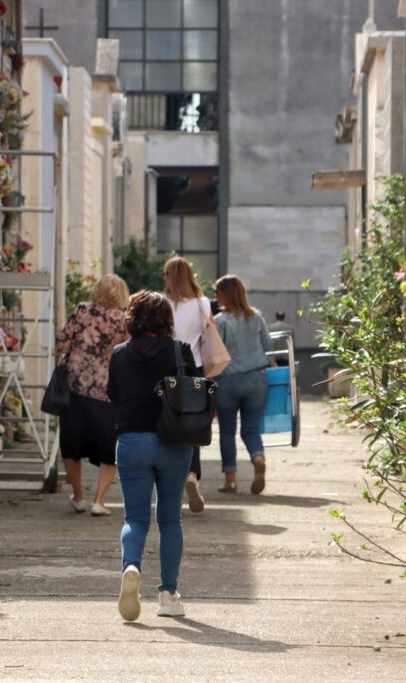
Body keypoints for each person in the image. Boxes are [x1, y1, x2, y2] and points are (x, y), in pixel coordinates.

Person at [108, 290, 199, 620]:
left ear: (133, 318)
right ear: (166, 320)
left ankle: (131, 567)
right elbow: (194, 394)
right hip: (173, 442)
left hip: (131, 440)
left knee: (134, 518)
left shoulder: (120, 354)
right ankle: (167, 595)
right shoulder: (180, 351)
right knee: (170, 517)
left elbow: (113, 395)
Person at [57, 274, 130, 516]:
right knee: (110, 447)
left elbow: (62, 342)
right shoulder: (123, 319)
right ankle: (99, 501)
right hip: (108, 392)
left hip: (76, 388)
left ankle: (79, 497)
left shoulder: (81, 310)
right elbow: (128, 353)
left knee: (71, 443)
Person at [213, 275, 272, 495]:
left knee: (227, 431)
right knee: (251, 429)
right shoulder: (257, 317)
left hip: (228, 380)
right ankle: (257, 458)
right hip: (256, 379)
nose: (216, 296)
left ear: (225, 294)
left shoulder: (220, 321)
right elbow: (268, 344)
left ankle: (231, 481)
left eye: (218, 292)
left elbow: (216, 352)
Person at [162, 256, 210, 513]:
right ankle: (192, 474)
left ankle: (169, 480)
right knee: (193, 424)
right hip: (195, 369)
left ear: (168, 276)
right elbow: (207, 334)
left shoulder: (161, 302)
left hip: (166, 368)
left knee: (166, 422)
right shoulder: (203, 303)